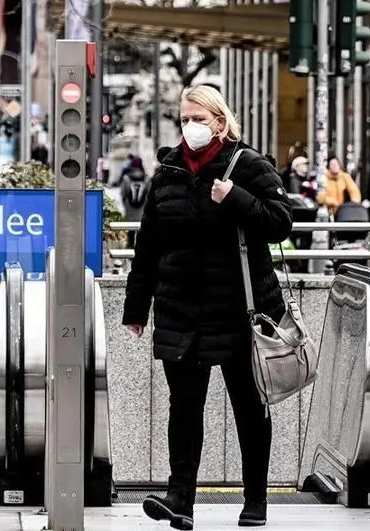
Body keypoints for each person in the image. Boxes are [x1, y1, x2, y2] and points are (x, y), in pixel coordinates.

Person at [122, 85, 292, 530]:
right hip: (181, 310)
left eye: (198, 118)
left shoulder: (249, 164)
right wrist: (136, 309)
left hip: (241, 312)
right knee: (184, 408)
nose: (190, 127)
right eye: (184, 119)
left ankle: (256, 500)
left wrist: (234, 197)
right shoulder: (168, 171)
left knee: (250, 408)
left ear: (219, 120)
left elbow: (281, 222)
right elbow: (148, 247)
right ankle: (181, 500)